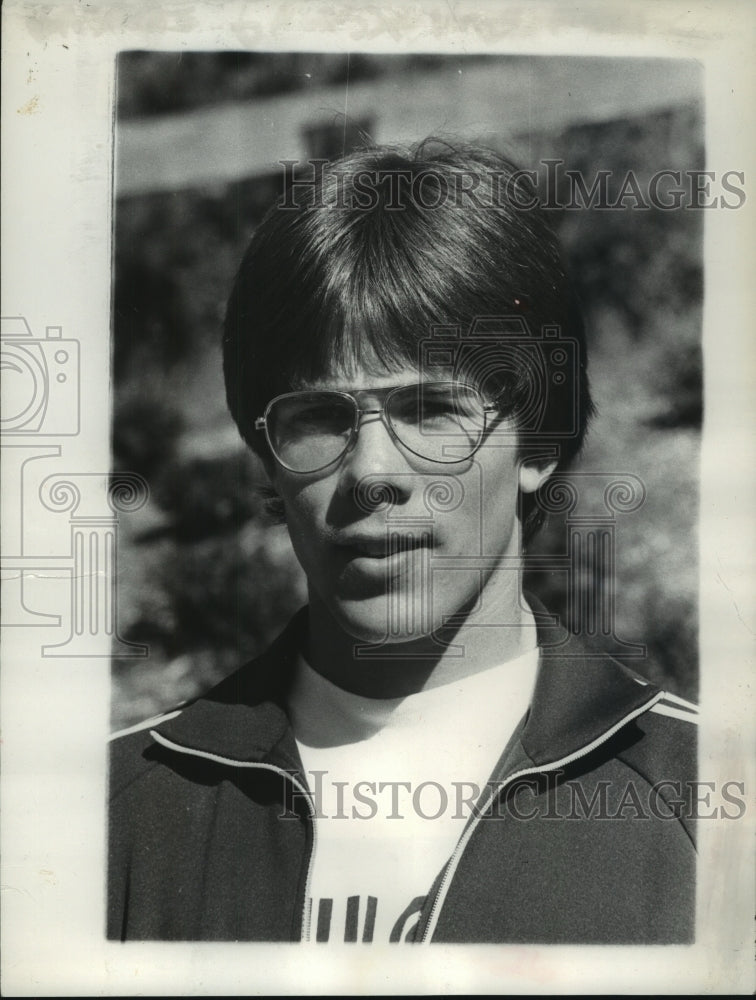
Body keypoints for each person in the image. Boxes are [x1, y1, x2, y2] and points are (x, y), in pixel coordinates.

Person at [108, 138, 697, 944]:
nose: (372, 470)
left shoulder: (701, 800)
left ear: (536, 446)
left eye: (431, 410)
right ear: (267, 461)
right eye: (318, 418)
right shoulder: (116, 812)